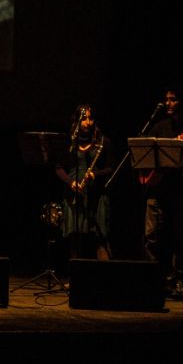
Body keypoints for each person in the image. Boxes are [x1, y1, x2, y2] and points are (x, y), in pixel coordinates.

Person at [143, 88, 183, 299]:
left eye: (173, 99)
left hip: (178, 190)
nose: (168, 103)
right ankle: (151, 279)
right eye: (166, 99)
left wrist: (172, 154)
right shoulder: (158, 126)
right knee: (150, 236)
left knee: (178, 237)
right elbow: (145, 154)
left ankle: (177, 282)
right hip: (156, 188)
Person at [55, 105, 112, 260]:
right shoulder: (70, 142)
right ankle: (77, 279)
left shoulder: (103, 141)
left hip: (96, 194)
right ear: (77, 121)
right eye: (84, 118)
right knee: (74, 238)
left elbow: (110, 168)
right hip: (74, 193)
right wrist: (70, 182)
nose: (87, 122)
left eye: (90, 118)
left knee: (99, 238)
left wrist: (95, 174)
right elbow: (59, 167)